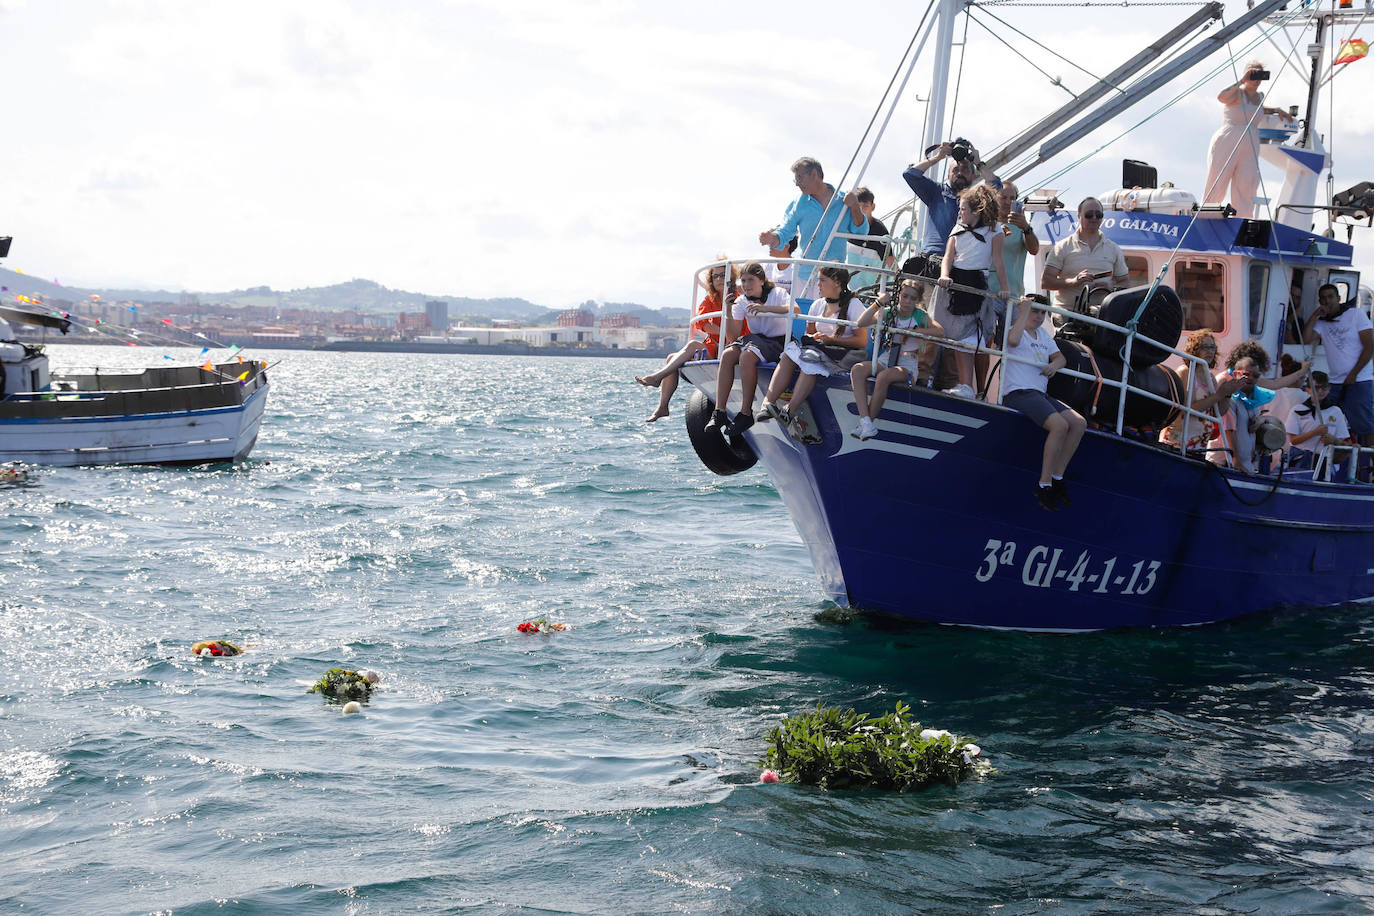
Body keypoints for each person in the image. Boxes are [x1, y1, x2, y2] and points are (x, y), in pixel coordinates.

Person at [755, 266, 869, 440]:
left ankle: (789, 411)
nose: (818, 285)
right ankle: (768, 403)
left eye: (822, 280)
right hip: (821, 349)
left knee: (810, 362)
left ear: (837, 283)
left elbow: (862, 341)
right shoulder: (818, 304)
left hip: (842, 354)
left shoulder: (854, 305)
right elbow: (808, 332)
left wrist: (832, 340)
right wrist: (813, 337)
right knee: (789, 354)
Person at [1002, 295, 1086, 510]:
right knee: (1060, 426)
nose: (1039, 317)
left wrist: (1053, 366)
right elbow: (1012, 341)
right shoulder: (1015, 328)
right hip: (1018, 392)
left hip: (1039, 394)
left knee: (1078, 423)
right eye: (1034, 311)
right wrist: (1023, 312)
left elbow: (1061, 358)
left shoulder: (1044, 335)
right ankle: (1044, 484)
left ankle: (1057, 478)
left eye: (1042, 312)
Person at [637, 261, 738, 422]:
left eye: (723, 275)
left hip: (733, 346)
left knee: (691, 345)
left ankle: (657, 378)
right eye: (715, 276)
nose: (719, 279)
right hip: (714, 345)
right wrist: (721, 330)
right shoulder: (710, 300)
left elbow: (739, 328)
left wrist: (723, 331)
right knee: (671, 358)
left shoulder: (739, 296)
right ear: (711, 280)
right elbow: (702, 324)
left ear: (731, 277)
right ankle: (662, 406)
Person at [935, 185, 1009, 399]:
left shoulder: (994, 232)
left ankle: (969, 385)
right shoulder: (957, 229)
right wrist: (945, 275)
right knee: (957, 336)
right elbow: (948, 256)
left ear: (976, 211)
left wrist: (1005, 288)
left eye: (963, 209)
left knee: (969, 336)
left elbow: (998, 261)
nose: (960, 213)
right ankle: (965, 384)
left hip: (975, 283)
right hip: (955, 283)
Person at [706, 261, 797, 435]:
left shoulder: (777, 293)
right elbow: (732, 337)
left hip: (777, 341)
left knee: (747, 356)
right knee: (727, 354)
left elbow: (795, 308)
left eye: (750, 280)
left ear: (761, 280)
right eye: (743, 281)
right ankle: (720, 411)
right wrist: (729, 310)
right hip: (755, 340)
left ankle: (746, 412)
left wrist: (765, 309)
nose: (746, 285)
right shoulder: (741, 301)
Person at [758, 157, 868, 300]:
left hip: (833, 277)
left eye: (799, 177)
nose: (797, 183)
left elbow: (861, 232)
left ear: (814, 174)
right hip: (803, 274)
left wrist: (854, 206)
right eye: (795, 179)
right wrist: (772, 238)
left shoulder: (843, 201)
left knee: (826, 321)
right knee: (799, 318)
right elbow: (786, 231)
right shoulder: (799, 204)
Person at [849, 277, 942, 440]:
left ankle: (867, 423)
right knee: (857, 370)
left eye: (913, 298)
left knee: (884, 377)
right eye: (905, 296)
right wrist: (878, 302)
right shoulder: (890, 312)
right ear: (898, 294)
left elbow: (940, 332)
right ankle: (865, 422)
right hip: (887, 358)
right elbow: (861, 322)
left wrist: (916, 331)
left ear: (918, 300)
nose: (907, 301)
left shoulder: (920, 316)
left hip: (908, 363)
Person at [1202, 61, 1292, 219]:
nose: (1256, 78)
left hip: (1250, 141)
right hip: (1229, 137)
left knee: (1247, 184)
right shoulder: (1237, 93)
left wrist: (1276, 110)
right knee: (1218, 180)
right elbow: (1221, 97)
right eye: (1253, 74)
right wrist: (1242, 81)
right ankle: (1207, 216)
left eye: (1259, 74)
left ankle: (1242, 220)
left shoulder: (1260, 96)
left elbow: (1257, 110)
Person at [1302, 282, 1374, 475]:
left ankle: (1372, 468)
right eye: (1323, 298)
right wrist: (1315, 314)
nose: (1327, 301)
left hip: (1359, 381)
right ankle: (1334, 469)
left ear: (1338, 298)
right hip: (1335, 383)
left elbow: (1370, 346)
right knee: (1332, 423)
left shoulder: (1356, 315)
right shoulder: (1322, 322)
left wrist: (1353, 374)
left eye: (1330, 297)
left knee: (1366, 426)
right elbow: (1306, 338)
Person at [900, 139, 1001, 274]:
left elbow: (996, 187)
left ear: (973, 175)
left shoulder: (977, 199)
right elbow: (910, 175)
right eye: (955, 170)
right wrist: (938, 157)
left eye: (965, 169)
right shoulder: (936, 191)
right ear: (948, 175)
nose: (959, 173)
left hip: (963, 265)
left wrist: (978, 162)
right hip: (933, 260)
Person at [1211, 340, 1310, 472]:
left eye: (1256, 373)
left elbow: (1275, 384)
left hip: (1241, 460)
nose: (1252, 376)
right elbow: (1228, 427)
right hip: (1225, 458)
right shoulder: (1225, 382)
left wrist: (1302, 372)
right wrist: (1236, 459)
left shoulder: (1249, 386)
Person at [1158, 329, 1244, 458]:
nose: (1209, 351)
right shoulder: (1185, 372)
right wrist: (1219, 395)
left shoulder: (1211, 378)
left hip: (1198, 447)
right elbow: (1189, 409)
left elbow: (1217, 412)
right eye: (1204, 347)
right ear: (1194, 350)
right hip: (1178, 443)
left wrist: (1227, 394)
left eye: (1212, 347)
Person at [1040, 197, 1129, 313]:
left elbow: (1125, 282)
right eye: (1088, 214)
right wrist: (1074, 281)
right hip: (1067, 313)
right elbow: (1046, 282)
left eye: (1098, 214)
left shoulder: (1113, 248)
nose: (1094, 218)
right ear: (1079, 216)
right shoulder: (1062, 247)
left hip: (1100, 314)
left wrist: (1110, 288)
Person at [1285, 371, 1355, 475]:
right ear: (1308, 390)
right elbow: (1293, 440)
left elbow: (1343, 439)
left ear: (1329, 388)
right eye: (1316, 388)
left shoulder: (1336, 411)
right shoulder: (1297, 410)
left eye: (1324, 387)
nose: (1320, 391)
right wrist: (1314, 433)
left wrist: (1333, 440)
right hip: (1301, 460)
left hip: (1326, 462)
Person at [844, 186, 891, 289]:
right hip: (849, 284)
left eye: (865, 206)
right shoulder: (847, 225)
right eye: (858, 206)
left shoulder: (880, 230)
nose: (861, 210)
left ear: (872, 207)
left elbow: (890, 259)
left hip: (871, 285)